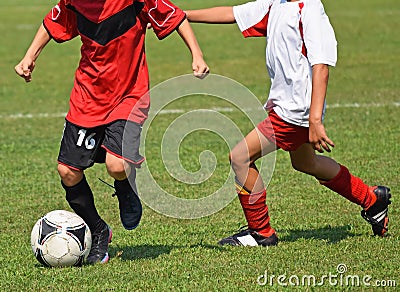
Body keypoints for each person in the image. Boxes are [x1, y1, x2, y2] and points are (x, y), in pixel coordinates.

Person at [15, 0, 209, 264]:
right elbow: (53, 22)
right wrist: (29, 57)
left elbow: (175, 16)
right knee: (68, 172)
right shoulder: (73, 2)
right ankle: (98, 230)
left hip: (129, 95)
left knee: (116, 165)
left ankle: (126, 186)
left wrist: (196, 55)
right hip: (87, 96)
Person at [186, 0, 391, 246]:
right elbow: (231, 13)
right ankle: (371, 198)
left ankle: (261, 232)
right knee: (306, 163)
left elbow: (321, 66)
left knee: (240, 157)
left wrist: (314, 119)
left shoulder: (310, 9)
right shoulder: (275, 4)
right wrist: (182, 15)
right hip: (293, 107)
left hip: (295, 111)